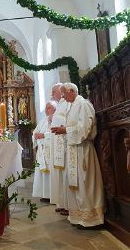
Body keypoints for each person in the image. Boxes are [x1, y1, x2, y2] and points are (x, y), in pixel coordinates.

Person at [51, 83, 104, 228]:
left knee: (85, 183)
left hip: (83, 149)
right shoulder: (73, 105)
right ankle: (78, 216)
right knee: (75, 184)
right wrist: (64, 130)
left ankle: (91, 219)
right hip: (74, 150)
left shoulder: (83, 104)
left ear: (72, 91)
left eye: (64, 94)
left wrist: (65, 130)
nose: (63, 97)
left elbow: (85, 129)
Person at [49, 83, 70, 216]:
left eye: (53, 92)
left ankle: (68, 205)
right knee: (60, 175)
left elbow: (68, 120)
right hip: (58, 144)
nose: (52, 94)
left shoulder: (66, 104)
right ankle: (62, 203)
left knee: (66, 175)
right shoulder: (61, 105)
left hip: (64, 144)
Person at [32, 101, 56, 202]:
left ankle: (52, 195)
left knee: (50, 172)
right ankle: (45, 194)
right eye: (46, 107)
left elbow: (56, 134)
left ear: (55, 109)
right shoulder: (43, 120)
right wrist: (35, 135)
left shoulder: (56, 119)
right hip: (42, 150)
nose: (46, 110)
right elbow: (35, 131)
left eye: (49, 108)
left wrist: (44, 135)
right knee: (42, 173)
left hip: (50, 150)